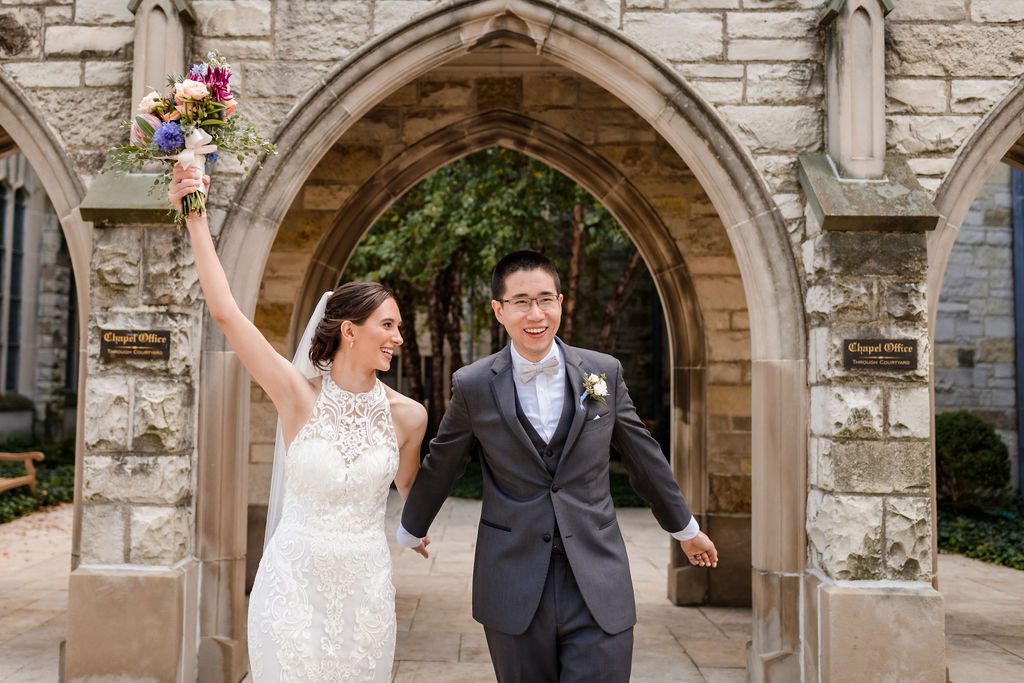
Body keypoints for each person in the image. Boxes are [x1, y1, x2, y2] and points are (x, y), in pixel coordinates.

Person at [397, 250, 718, 682]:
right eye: (521, 301)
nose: (536, 313)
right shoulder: (473, 385)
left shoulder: (603, 373)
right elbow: (443, 461)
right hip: (511, 580)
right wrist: (412, 527)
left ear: (561, 303)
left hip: (597, 577)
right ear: (499, 310)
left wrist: (686, 529)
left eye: (546, 299)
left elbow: (644, 457)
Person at [167, 166, 429, 682]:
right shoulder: (296, 395)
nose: (399, 337)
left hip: (365, 587)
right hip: (293, 581)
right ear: (350, 331)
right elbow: (226, 313)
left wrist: (418, 530)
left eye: (399, 326)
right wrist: (194, 212)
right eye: (389, 325)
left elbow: (411, 489)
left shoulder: (408, 415)